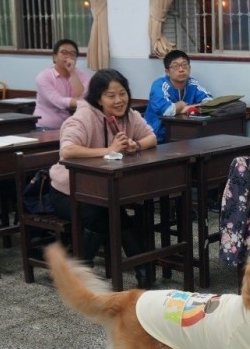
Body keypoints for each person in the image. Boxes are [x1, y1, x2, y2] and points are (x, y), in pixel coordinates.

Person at [49, 69, 157, 287]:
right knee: (105, 213)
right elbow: (68, 151)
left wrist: (135, 145)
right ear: (98, 98)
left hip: (103, 189)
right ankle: (85, 273)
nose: (119, 100)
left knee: (113, 210)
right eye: (111, 95)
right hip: (68, 190)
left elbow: (151, 137)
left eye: (122, 93)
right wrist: (108, 149)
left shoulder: (129, 115)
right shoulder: (83, 117)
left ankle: (139, 270)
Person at [144, 50, 212, 142]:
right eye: (176, 66)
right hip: (157, 138)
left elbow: (210, 102)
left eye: (184, 65)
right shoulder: (159, 85)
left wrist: (184, 107)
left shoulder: (192, 83)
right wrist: (181, 106)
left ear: (190, 68)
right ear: (167, 71)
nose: (181, 69)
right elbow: (167, 110)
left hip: (183, 136)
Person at [34, 39, 91, 130]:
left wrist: (72, 72)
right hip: (46, 128)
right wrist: (80, 103)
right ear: (55, 57)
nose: (68, 56)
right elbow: (58, 100)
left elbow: (82, 95)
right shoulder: (43, 77)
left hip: (74, 128)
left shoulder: (84, 76)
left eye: (73, 54)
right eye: (64, 52)